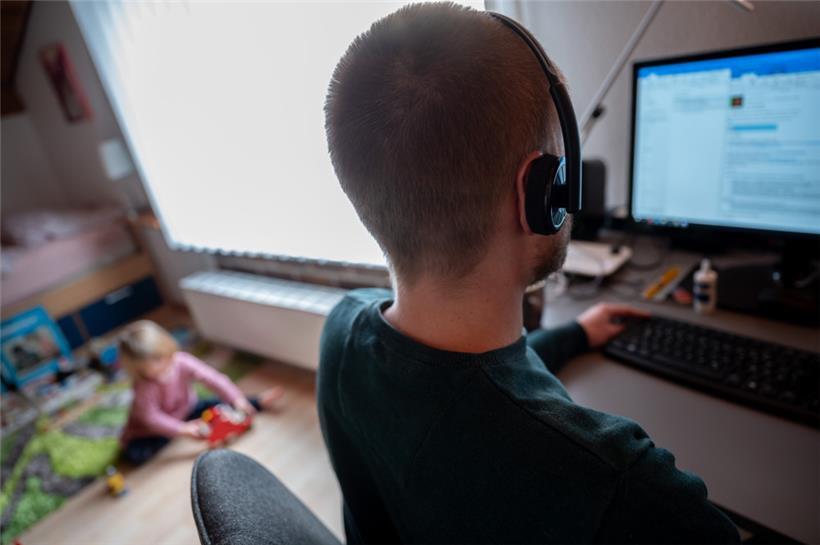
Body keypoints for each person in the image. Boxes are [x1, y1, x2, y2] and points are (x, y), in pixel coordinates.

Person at [318, 3, 739, 544]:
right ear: (540, 193)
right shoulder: (622, 484)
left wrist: (575, 335)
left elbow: (458, 388)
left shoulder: (341, 328)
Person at [118, 320, 283, 465]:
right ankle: (172, 436)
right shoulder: (142, 387)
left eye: (161, 359)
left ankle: (256, 402)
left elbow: (213, 378)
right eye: (152, 367)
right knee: (136, 455)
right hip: (152, 429)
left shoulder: (181, 361)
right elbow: (151, 418)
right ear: (137, 369)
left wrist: (236, 397)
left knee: (219, 404)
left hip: (188, 408)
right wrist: (182, 429)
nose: (162, 369)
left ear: (167, 347)